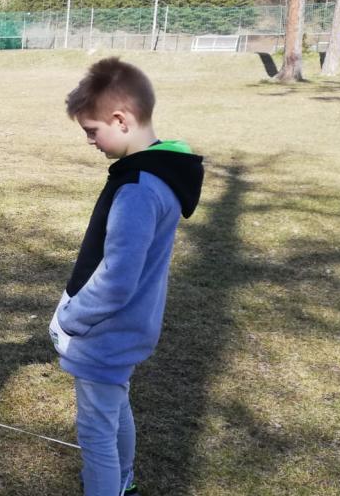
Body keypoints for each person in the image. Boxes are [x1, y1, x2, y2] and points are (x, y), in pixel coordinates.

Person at [48, 57, 204, 496]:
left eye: (92, 131)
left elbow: (117, 279)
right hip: (131, 327)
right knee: (116, 408)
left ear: (121, 120)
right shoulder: (163, 173)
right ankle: (125, 483)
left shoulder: (137, 189)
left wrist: (70, 320)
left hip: (107, 333)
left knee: (96, 433)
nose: (90, 141)